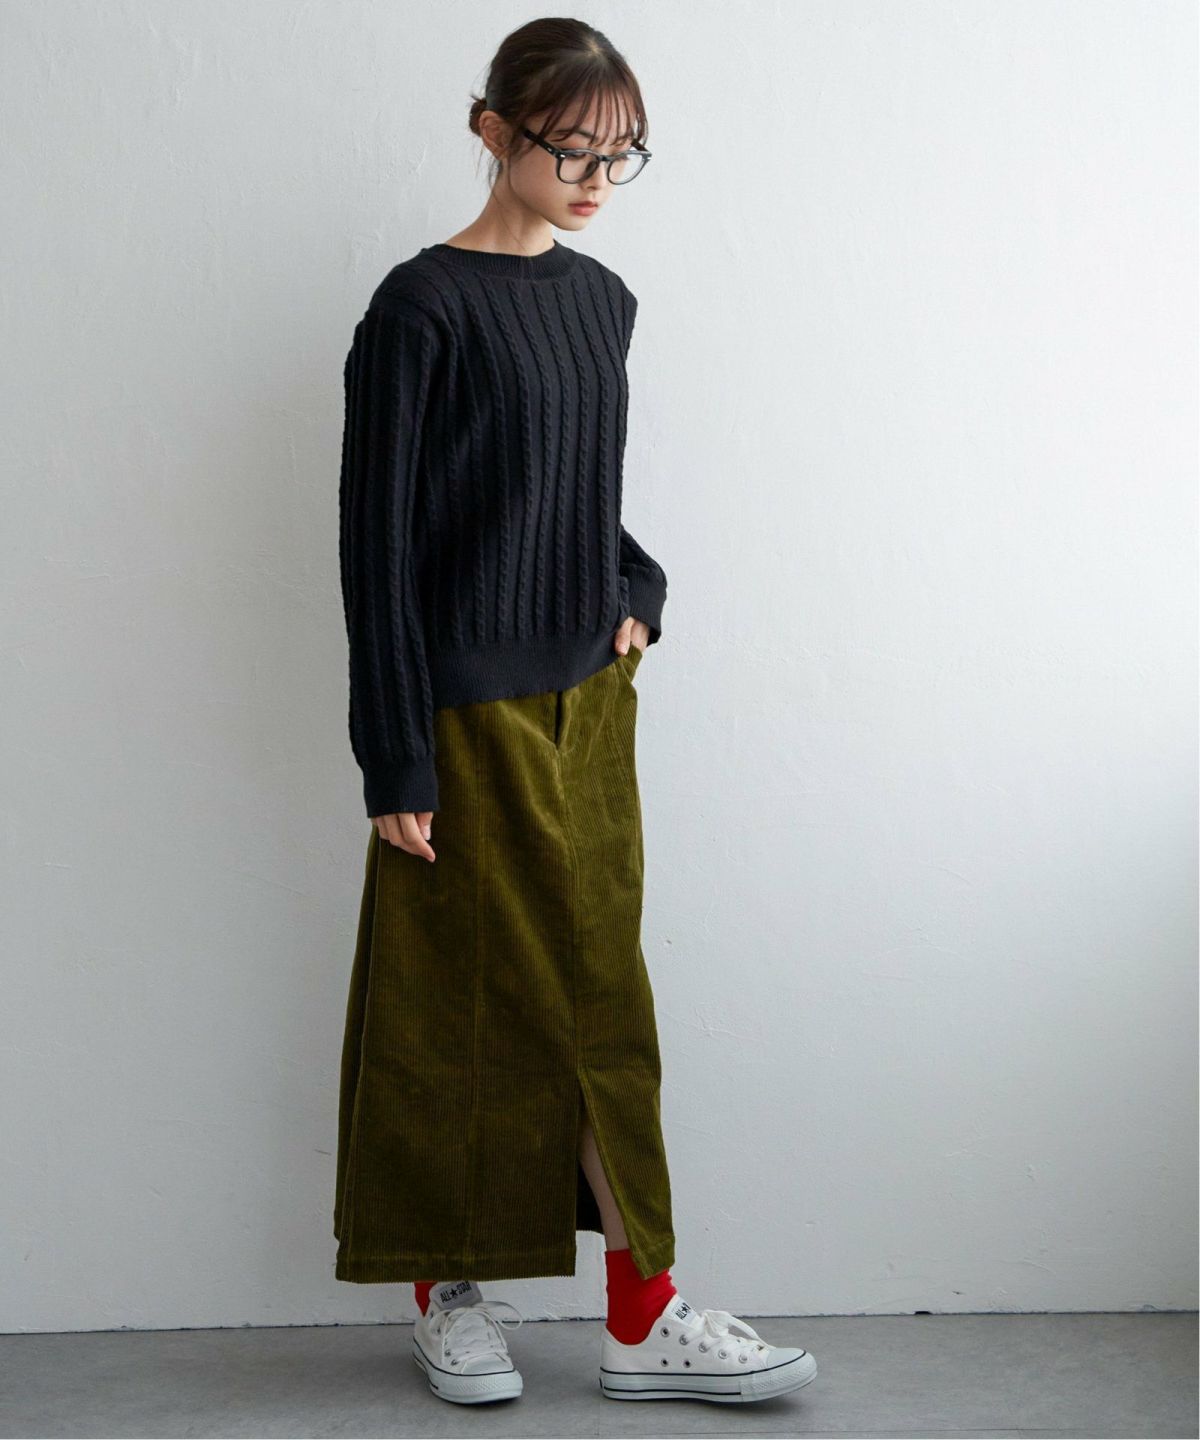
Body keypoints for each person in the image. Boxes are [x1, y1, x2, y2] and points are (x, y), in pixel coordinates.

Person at [332, 16, 818, 1408]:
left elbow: (581, 497)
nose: (598, 182)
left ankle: (642, 1314)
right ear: (494, 131)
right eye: (571, 152)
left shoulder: (603, 302)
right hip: (464, 713)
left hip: (592, 705)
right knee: (453, 1003)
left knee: (603, 1005)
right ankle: (446, 1293)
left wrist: (637, 591)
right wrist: (395, 754)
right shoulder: (419, 308)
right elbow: (376, 547)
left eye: (621, 157)